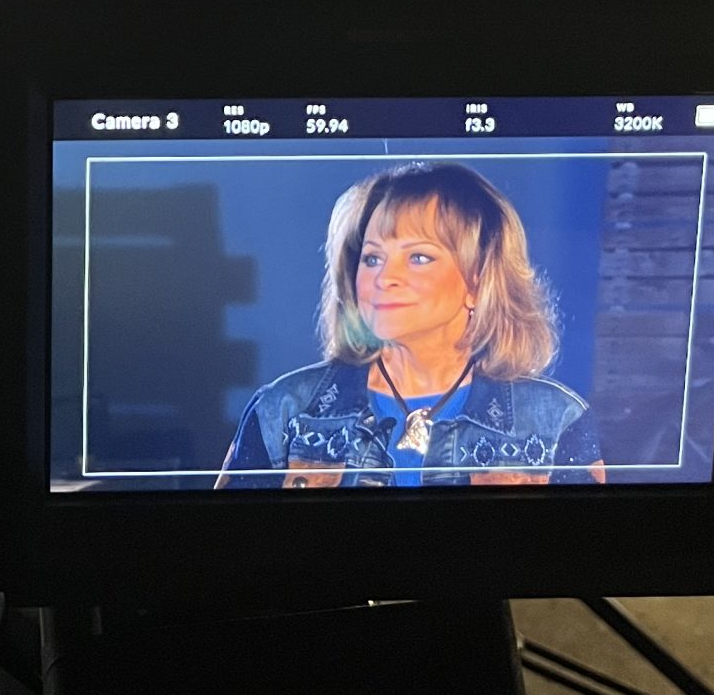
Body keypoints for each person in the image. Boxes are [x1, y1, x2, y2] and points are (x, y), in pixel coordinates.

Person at [217, 162, 605, 488]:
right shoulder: (285, 409)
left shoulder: (556, 419)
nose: (385, 278)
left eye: (418, 257)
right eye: (372, 259)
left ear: (478, 282)